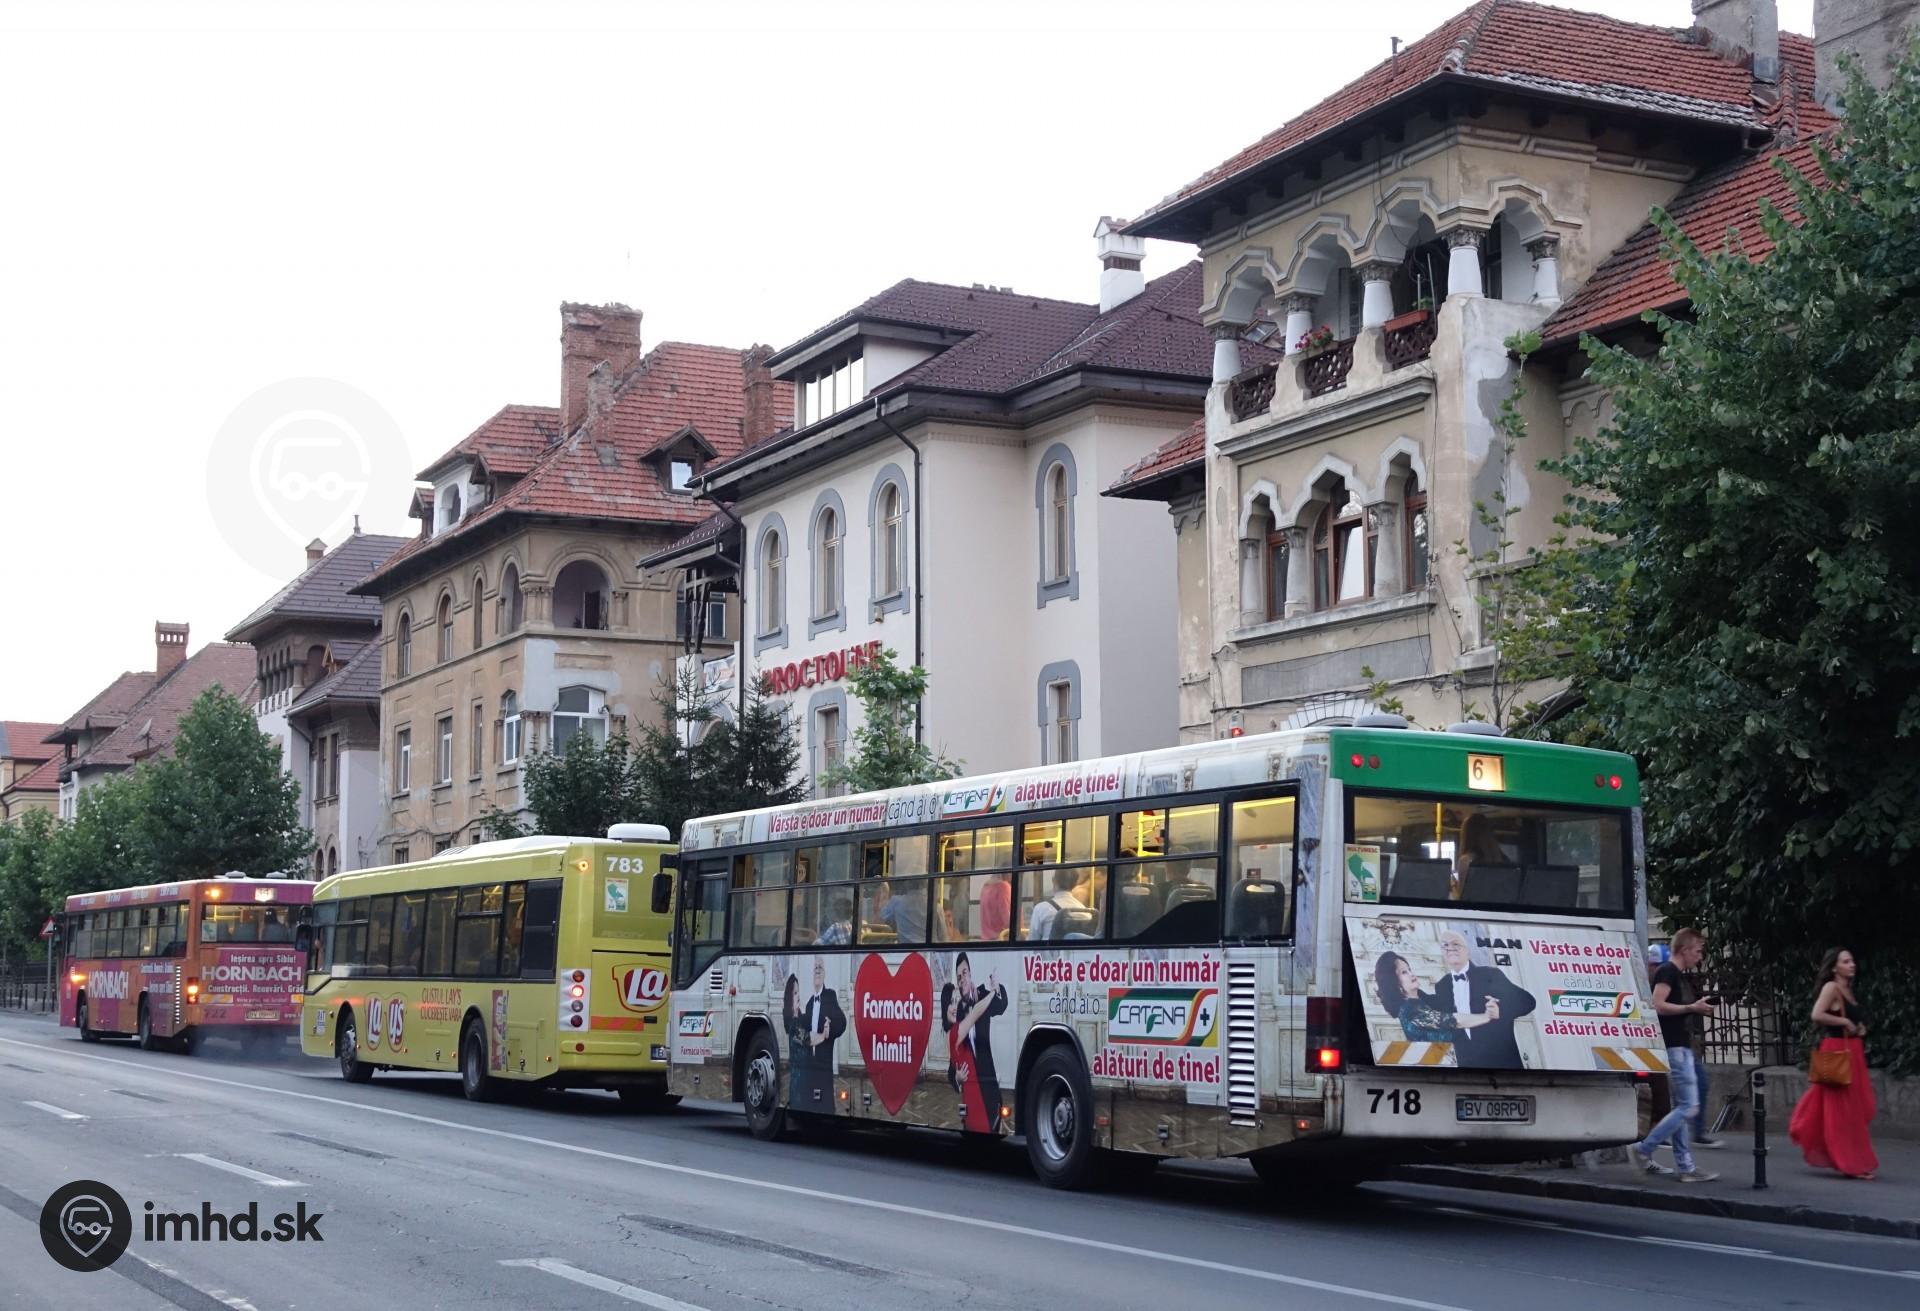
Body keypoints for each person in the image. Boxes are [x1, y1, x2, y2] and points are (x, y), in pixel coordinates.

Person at [1631, 927, 1720, 1183]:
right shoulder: (1668, 971)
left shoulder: (1673, 973)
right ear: (1684, 949)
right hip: (1675, 1047)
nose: (1699, 957)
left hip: (1679, 1046)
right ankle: (1643, 1148)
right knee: (1689, 1107)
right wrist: (1692, 1007)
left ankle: (1686, 1167)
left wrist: (1694, 1008)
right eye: (1697, 951)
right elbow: (1657, 1004)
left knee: (1682, 1107)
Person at [1789, 947, 1877, 1179]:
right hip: (1837, 1051)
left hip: (1852, 1051)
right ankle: (1851, 1163)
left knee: (1856, 1106)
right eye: (1846, 961)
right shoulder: (1831, 987)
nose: (1852, 964)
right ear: (1834, 967)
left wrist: (1859, 1028)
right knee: (1842, 1110)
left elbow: (1850, 1019)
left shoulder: (1848, 989)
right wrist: (1845, 1022)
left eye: (1852, 960)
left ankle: (1805, 1128)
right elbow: (1817, 1014)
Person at [1430, 930, 1537, 1068]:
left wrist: (1500, 1010)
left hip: (1504, 1066)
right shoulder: (1442, 985)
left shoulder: (1490, 974)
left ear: (1467, 951)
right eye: (1445, 945)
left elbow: (1528, 1001)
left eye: (1455, 944)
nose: (1450, 948)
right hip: (1467, 1069)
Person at [1372, 950, 1500, 1048]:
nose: (1411, 974)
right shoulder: (1410, 1011)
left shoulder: (1422, 1001)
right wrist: (1487, 1016)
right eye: (1404, 972)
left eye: (1409, 969)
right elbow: (1453, 1020)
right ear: (1394, 983)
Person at [949, 952, 1007, 1130]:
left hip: (987, 1082)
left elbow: (1001, 1006)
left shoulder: (982, 995)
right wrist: (956, 1078)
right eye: (959, 977)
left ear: (971, 973)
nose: (962, 979)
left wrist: (996, 987)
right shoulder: (957, 1011)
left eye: (965, 973)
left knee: (993, 1128)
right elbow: (953, 1061)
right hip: (970, 1091)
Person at [788, 956, 845, 1110]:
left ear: (824, 974)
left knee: (826, 1106)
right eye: (815, 968)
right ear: (813, 975)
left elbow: (842, 1022)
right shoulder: (809, 1004)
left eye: (820, 967)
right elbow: (804, 1031)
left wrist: (830, 1030)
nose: (818, 969)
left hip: (823, 1065)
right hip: (809, 1067)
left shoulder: (830, 996)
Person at [1451, 813, 1505, 901]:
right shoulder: (1503, 860)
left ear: (1467, 835)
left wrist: (1453, 885)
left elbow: (1461, 898)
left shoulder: (1466, 860)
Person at [1028, 868, 1087, 940]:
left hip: (1049, 947)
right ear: (1075, 884)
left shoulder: (1041, 909)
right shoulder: (1084, 911)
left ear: (1053, 881)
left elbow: (1033, 940)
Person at [979, 872, 1011, 941]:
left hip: (986, 940)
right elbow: (1008, 920)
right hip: (1002, 939)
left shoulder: (985, 887)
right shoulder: (1003, 887)